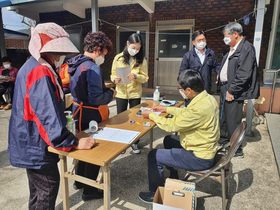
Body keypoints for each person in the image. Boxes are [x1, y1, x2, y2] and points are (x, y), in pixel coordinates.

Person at [8, 22, 96, 210]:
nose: (60, 54)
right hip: (35, 144)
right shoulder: (40, 70)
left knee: (37, 190)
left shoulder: (32, 65)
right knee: (47, 187)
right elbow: (46, 115)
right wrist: (71, 142)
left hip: (28, 141)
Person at [138, 69, 220, 203]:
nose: (180, 91)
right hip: (203, 145)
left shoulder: (199, 108)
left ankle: (155, 193)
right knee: (169, 140)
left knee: (153, 156)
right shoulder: (207, 98)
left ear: (189, 90)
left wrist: (151, 115)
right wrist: (166, 109)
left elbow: (171, 126)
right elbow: (186, 112)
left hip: (199, 157)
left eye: (181, 88)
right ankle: (174, 175)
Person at [67, 31, 116, 201]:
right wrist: (111, 94)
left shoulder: (74, 63)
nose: (103, 56)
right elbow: (96, 99)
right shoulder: (93, 67)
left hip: (77, 110)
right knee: (93, 147)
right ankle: (89, 190)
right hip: (90, 113)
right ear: (97, 49)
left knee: (81, 143)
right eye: (103, 53)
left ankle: (79, 181)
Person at [218, 22, 260, 158]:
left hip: (233, 91)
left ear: (235, 34)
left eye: (226, 36)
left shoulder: (246, 49)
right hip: (225, 87)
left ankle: (236, 149)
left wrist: (232, 91)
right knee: (223, 117)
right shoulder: (234, 47)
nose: (225, 39)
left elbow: (243, 74)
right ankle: (224, 142)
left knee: (233, 120)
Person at [110, 33, 149, 154]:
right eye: (133, 47)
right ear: (127, 44)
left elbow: (145, 78)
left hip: (135, 93)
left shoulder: (141, 60)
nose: (135, 50)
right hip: (121, 93)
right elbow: (112, 74)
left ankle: (134, 143)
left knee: (134, 119)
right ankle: (122, 143)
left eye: (138, 48)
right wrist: (114, 79)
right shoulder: (118, 58)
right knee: (121, 119)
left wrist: (136, 76)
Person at [179, 30, 220, 106]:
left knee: (204, 108)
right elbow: (182, 72)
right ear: (194, 42)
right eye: (199, 40)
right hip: (192, 89)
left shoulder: (210, 54)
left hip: (206, 88)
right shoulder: (188, 56)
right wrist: (182, 87)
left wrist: (219, 73)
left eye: (203, 39)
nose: (202, 42)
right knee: (192, 110)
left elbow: (217, 65)